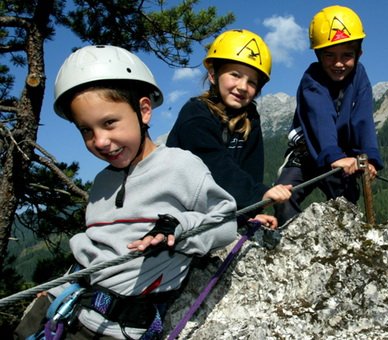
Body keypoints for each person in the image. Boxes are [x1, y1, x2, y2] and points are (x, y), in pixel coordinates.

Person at [15, 45, 277, 339]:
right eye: (86, 130)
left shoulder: (181, 166)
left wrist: (179, 227)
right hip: (64, 309)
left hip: (116, 330)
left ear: (143, 110)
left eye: (109, 123)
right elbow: (94, 251)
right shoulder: (102, 183)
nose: (100, 141)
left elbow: (225, 222)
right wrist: (48, 299)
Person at [274, 5, 383, 225]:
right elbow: (320, 118)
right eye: (329, 55)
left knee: (348, 201)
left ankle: (346, 243)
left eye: (347, 55)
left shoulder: (360, 76)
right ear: (318, 55)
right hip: (306, 153)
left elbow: (363, 119)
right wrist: (335, 157)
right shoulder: (312, 79)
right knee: (283, 196)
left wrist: (369, 157)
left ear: (359, 54)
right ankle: (290, 242)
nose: (339, 63)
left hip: (341, 154)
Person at [166, 29, 292, 215]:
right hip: (177, 208)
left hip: (216, 210)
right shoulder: (196, 114)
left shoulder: (250, 120)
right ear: (212, 75)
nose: (242, 87)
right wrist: (259, 194)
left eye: (252, 82)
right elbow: (215, 165)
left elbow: (251, 171)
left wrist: (253, 213)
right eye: (235, 75)